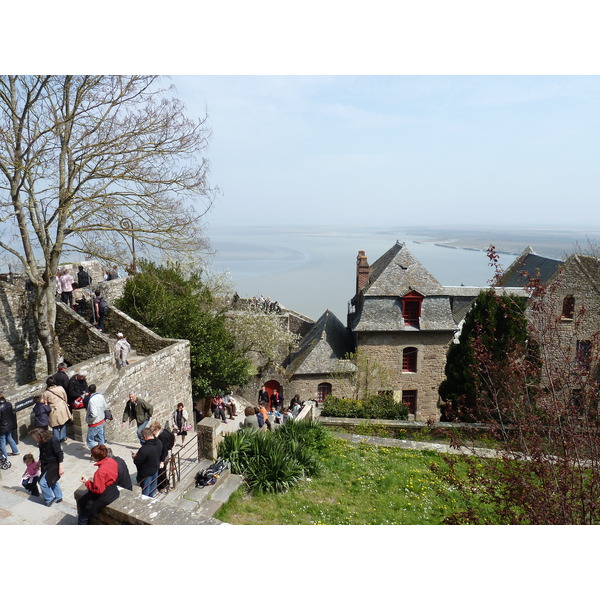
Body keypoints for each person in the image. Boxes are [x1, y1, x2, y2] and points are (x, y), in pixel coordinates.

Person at [77, 444, 119, 525]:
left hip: (105, 496)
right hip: (113, 490)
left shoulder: (100, 472)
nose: (92, 456)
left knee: (83, 513)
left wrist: (87, 482)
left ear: (97, 458)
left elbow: (98, 490)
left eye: (92, 455)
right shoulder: (112, 461)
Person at [31, 427, 64, 506]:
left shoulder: (53, 440)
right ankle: (59, 497)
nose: (34, 439)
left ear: (40, 436)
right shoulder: (41, 442)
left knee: (42, 482)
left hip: (53, 464)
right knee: (51, 480)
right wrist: (38, 463)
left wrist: (61, 467)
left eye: (35, 437)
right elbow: (42, 453)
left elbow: (59, 453)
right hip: (45, 464)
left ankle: (49, 499)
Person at [41, 377, 72, 443]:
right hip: (62, 407)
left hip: (53, 410)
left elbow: (45, 404)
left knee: (54, 425)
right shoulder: (60, 388)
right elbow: (65, 397)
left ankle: (56, 439)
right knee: (63, 423)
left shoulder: (46, 393)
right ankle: (62, 437)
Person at [132, 428, 162, 498]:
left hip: (146, 473)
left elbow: (137, 461)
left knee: (146, 491)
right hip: (155, 469)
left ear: (145, 436)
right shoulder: (159, 443)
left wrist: (135, 457)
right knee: (153, 489)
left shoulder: (144, 449)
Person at [149, 421, 174, 493]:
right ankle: (163, 484)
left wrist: (162, 461)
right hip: (163, 456)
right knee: (161, 472)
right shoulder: (164, 431)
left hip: (163, 457)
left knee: (161, 472)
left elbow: (164, 450)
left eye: (152, 431)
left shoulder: (161, 437)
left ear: (155, 430)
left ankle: (163, 486)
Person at [85, 384, 107, 449]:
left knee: (90, 440)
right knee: (101, 438)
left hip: (95, 423)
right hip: (102, 420)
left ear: (88, 391)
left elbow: (94, 414)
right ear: (95, 389)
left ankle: (97, 452)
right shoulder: (101, 396)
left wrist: (89, 420)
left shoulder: (91, 400)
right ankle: (103, 452)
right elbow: (105, 406)